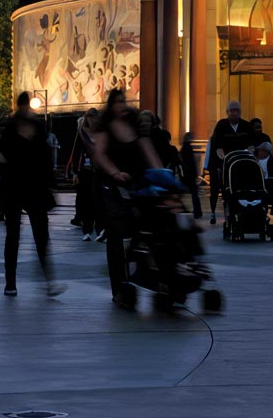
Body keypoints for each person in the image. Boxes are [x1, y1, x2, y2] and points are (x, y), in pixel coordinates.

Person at [91, 88, 163, 306]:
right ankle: (119, 287)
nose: (122, 106)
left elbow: (147, 150)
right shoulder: (105, 127)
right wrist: (115, 172)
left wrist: (162, 175)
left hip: (137, 184)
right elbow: (100, 155)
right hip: (112, 186)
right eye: (118, 102)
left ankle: (152, 274)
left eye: (124, 101)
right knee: (117, 235)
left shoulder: (134, 123)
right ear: (111, 104)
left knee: (150, 226)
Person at [0, 92, 64, 297]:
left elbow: (45, 159)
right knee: (15, 236)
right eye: (25, 105)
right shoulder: (12, 128)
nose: (27, 109)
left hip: (32, 188)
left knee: (39, 236)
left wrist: (50, 185)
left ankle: (46, 280)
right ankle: (11, 282)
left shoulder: (36, 128)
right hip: (16, 187)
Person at [206, 101, 258, 224]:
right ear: (227, 112)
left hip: (242, 160)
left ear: (240, 112)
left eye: (236, 110)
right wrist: (220, 152)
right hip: (224, 160)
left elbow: (253, 142)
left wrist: (251, 148)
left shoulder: (247, 126)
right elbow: (216, 142)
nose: (234, 113)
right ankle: (213, 211)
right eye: (231, 111)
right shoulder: (221, 125)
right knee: (217, 184)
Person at [69, 108, 100, 240]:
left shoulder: (101, 133)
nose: (92, 120)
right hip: (85, 170)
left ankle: (99, 229)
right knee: (86, 200)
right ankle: (86, 229)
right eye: (90, 117)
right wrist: (75, 172)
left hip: (98, 170)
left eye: (94, 117)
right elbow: (76, 152)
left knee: (98, 200)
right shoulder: (82, 133)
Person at [179, 131, 202, 219]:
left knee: (183, 193)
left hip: (185, 175)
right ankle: (197, 212)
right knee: (194, 194)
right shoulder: (189, 148)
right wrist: (196, 174)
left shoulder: (183, 148)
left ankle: (184, 209)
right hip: (190, 175)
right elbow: (192, 163)